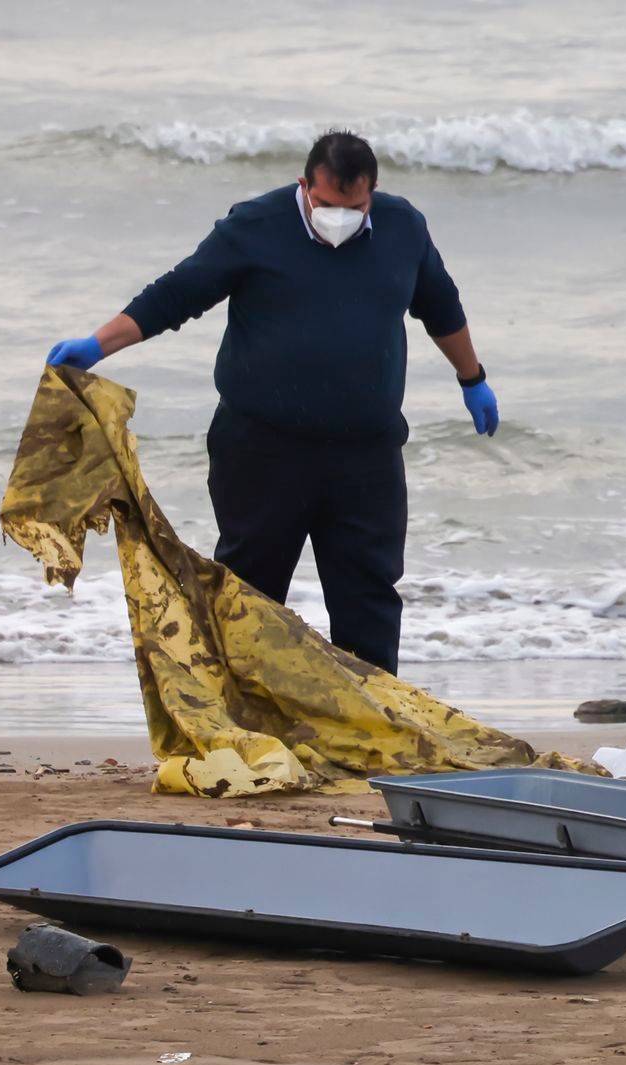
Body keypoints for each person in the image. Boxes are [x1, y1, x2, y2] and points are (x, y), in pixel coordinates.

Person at [43, 131, 497, 675]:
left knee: (370, 599)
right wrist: (98, 344)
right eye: (328, 205)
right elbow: (176, 294)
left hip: (366, 454)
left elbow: (441, 307)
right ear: (305, 185)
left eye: (354, 208)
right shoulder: (255, 226)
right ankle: (243, 729)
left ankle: (375, 732)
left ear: (372, 193)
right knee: (248, 596)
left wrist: (472, 378)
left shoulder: (403, 228)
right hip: (261, 449)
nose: (340, 217)